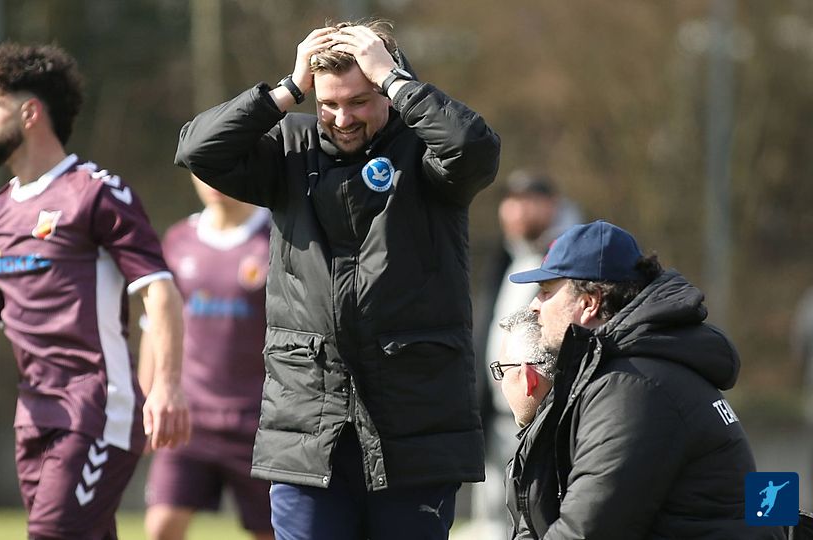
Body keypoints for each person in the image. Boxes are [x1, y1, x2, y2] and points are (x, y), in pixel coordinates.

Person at [174, 19, 501, 540]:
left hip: (412, 430)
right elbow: (199, 149)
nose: (342, 118)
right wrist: (288, 88)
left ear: (389, 90)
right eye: (328, 103)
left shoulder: (426, 151)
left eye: (359, 101)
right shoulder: (290, 147)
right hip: (307, 427)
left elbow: (475, 149)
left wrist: (394, 79)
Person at [0, 42, 190, 540]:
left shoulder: (96, 194)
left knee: (53, 534)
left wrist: (167, 386)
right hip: (33, 417)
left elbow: (160, 291)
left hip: (96, 409)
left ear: (30, 113)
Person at [504, 219, 785, 539]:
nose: (534, 306)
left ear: (589, 303)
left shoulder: (634, 386)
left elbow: (588, 532)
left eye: (546, 292)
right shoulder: (634, 373)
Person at [140, 174, 273, 540]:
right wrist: (148, 396)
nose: (212, 178)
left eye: (221, 165)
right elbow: (155, 327)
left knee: (273, 532)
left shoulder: (278, 236)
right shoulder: (179, 239)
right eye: (202, 168)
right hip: (189, 419)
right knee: (161, 527)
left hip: (260, 423)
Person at [463, 170, 580, 540]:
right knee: (494, 521)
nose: (517, 211)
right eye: (511, 202)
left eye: (528, 201)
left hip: (549, 419)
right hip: (498, 418)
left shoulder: (573, 258)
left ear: (553, 205)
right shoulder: (505, 259)